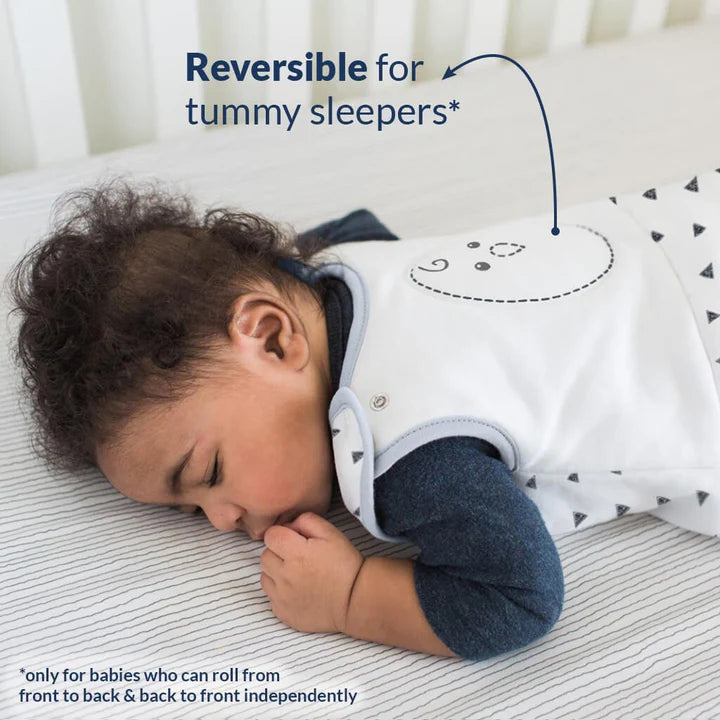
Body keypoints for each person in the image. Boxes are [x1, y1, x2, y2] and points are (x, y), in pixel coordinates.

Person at [9, 169, 717, 660]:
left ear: (273, 337)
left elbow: (519, 598)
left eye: (209, 472)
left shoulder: (407, 448)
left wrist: (349, 595)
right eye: (192, 513)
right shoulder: (339, 261)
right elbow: (333, 234)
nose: (220, 520)